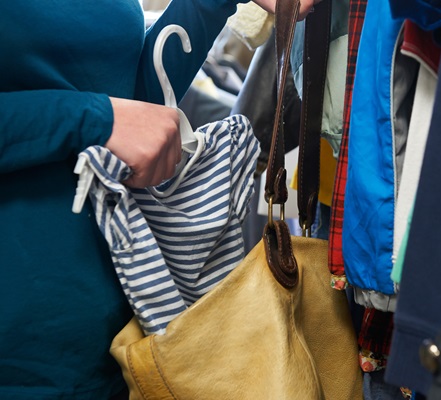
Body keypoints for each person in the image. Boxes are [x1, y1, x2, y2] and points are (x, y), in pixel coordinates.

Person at [0, 0, 315, 398]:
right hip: (16, 337)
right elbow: (105, 117)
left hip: (121, 329)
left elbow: (127, 104)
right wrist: (93, 118)